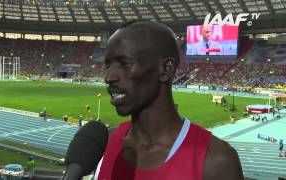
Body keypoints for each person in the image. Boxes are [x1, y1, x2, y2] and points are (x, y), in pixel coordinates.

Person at [95, 20, 243, 180]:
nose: (108, 77)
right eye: (108, 66)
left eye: (125, 64)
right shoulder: (103, 145)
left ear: (166, 69)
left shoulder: (216, 161)